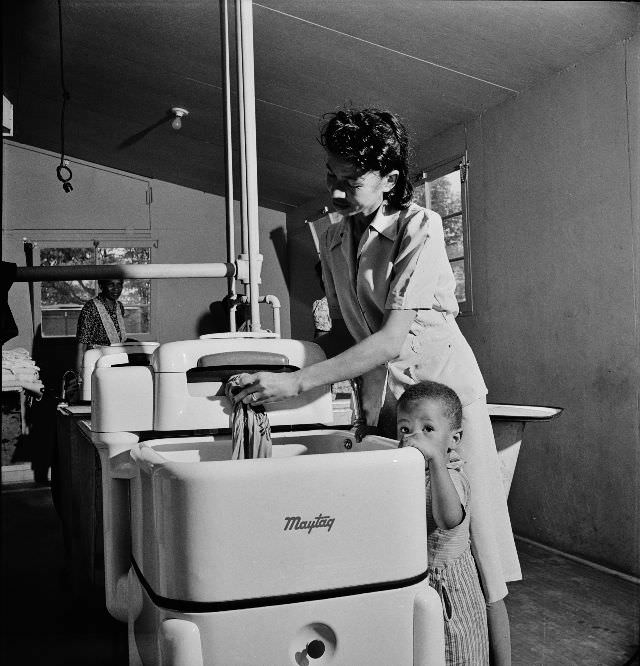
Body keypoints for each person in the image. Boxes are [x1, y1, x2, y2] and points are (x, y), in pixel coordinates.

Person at [231, 107, 519, 664]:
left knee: (476, 547)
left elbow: (388, 340)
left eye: (350, 181)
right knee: (409, 549)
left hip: (444, 404)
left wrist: (294, 384)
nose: (336, 193)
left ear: (389, 180)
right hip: (391, 406)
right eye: (330, 178)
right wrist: (349, 410)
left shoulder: (421, 227)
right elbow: (351, 335)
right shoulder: (334, 236)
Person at [397, 380, 488, 664]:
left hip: (448, 590)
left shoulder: (453, 476)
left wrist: (436, 460)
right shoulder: (408, 471)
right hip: (420, 582)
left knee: (454, 651)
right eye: (405, 428)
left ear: (454, 439)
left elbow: (448, 520)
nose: (414, 437)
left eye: (428, 429)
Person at [75, 278, 127, 377]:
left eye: (119, 284)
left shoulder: (119, 307)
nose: (116, 289)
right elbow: (81, 346)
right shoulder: (90, 308)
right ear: (101, 286)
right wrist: (80, 377)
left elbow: (118, 339)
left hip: (118, 362)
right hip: (97, 364)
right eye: (111, 284)